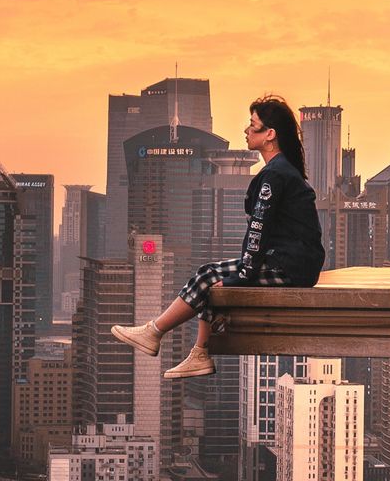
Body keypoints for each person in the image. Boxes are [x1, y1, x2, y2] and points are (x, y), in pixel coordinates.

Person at [110, 94, 324, 378]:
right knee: (210, 276)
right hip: (293, 263)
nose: (246, 130)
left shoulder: (275, 175)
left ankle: (156, 332)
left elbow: (258, 230)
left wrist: (241, 277)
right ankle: (197, 352)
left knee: (209, 276)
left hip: (290, 268)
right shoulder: (281, 171)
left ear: (269, 134)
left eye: (253, 125)